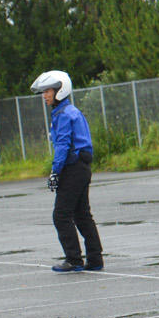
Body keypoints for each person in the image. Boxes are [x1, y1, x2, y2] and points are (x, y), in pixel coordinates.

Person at [34, 70, 103, 272]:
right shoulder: (71, 111)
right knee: (82, 215)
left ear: (60, 90)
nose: (44, 96)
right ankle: (95, 259)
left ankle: (73, 260)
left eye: (47, 91)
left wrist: (55, 172)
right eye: (44, 92)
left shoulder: (64, 114)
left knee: (61, 215)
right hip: (82, 167)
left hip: (72, 169)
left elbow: (63, 146)